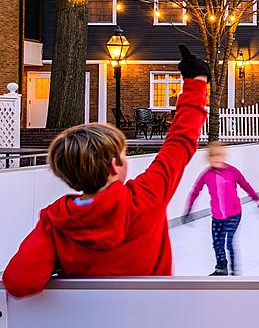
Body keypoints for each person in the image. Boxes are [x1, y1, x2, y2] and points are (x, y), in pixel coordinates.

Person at [2, 44, 210, 297]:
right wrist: (196, 82)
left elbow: (20, 282)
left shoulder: (56, 220)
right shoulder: (146, 195)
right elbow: (180, 141)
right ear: (115, 166)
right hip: (152, 318)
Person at [183, 142, 259, 276]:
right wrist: (189, 209)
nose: (217, 159)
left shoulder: (232, 171)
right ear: (209, 158)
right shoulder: (206, 174)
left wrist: (257, 199)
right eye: (213, 156)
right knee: (217, 243)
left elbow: (245, 185)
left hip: (234, 213)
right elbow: (195, 191)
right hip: (217, 216)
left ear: (224, 156)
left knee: (229, 241)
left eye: (219, 156)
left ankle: (234, 269)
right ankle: (221, 267)